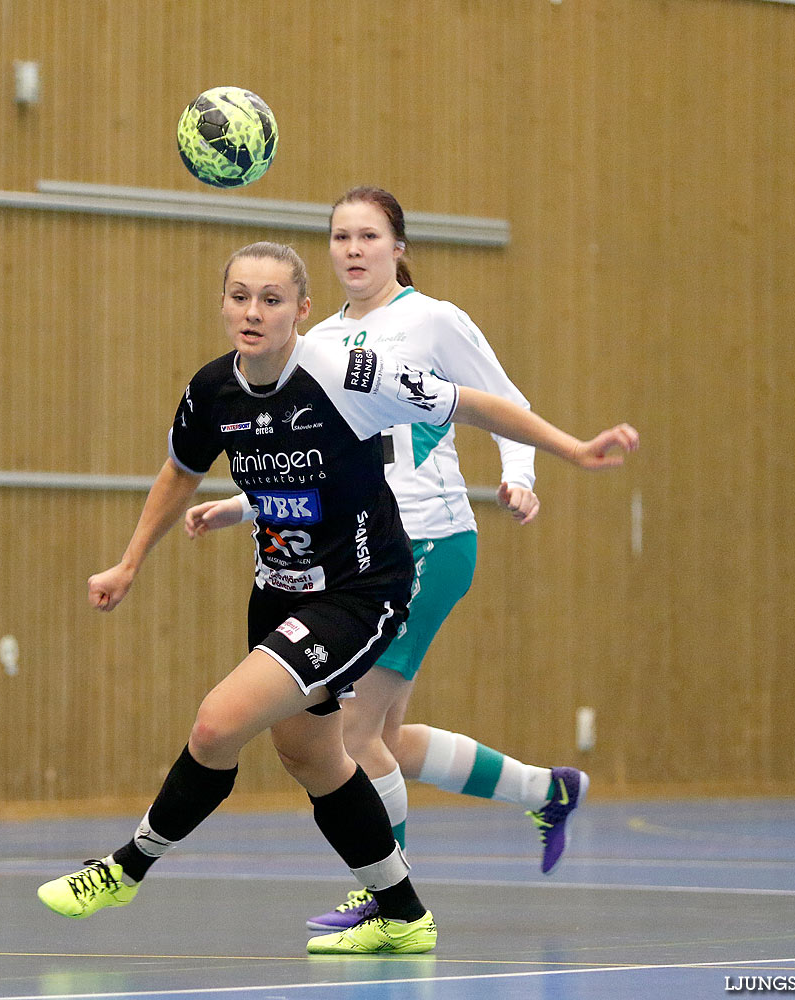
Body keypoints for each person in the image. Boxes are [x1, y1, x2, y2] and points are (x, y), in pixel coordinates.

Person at [36, 241, 637, 956]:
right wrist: (129, 562)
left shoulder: (346, 373)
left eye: (271, 299)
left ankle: (124, 869)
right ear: (222, 302)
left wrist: (569, 452)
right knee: (312, 755)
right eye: (239, 296)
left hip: (360, 591)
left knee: (217, 723)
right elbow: (180, 471)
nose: (252, 312)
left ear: (302, 310)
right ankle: (402, 911)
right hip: (278, 592)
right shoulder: (211, 391)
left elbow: (470, 403)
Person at [184, 188, 591, 935]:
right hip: (364, 550)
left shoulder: (431, 319)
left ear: (397, 245)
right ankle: (545, 788)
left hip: (429, 540)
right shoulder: (321, 340)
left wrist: (522, 476)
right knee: (385, 736)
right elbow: (321, 465)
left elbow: (502, 400)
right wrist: (242, 505)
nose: (353, 249)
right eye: (340, 236)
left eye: (369, 235)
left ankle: (386, 897)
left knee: (351, 733)